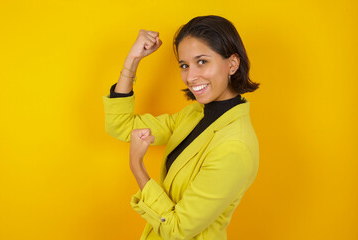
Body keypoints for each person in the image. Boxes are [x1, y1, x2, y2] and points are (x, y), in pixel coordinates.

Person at [102, 15, 260, 240]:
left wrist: (137, 165)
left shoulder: (234, 147)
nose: (190, 76)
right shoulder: (195, 114)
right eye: (184, 65)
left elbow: (177, 229)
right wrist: (133, 59)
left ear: (232, 64)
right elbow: (121, 124)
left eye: (202, 61)